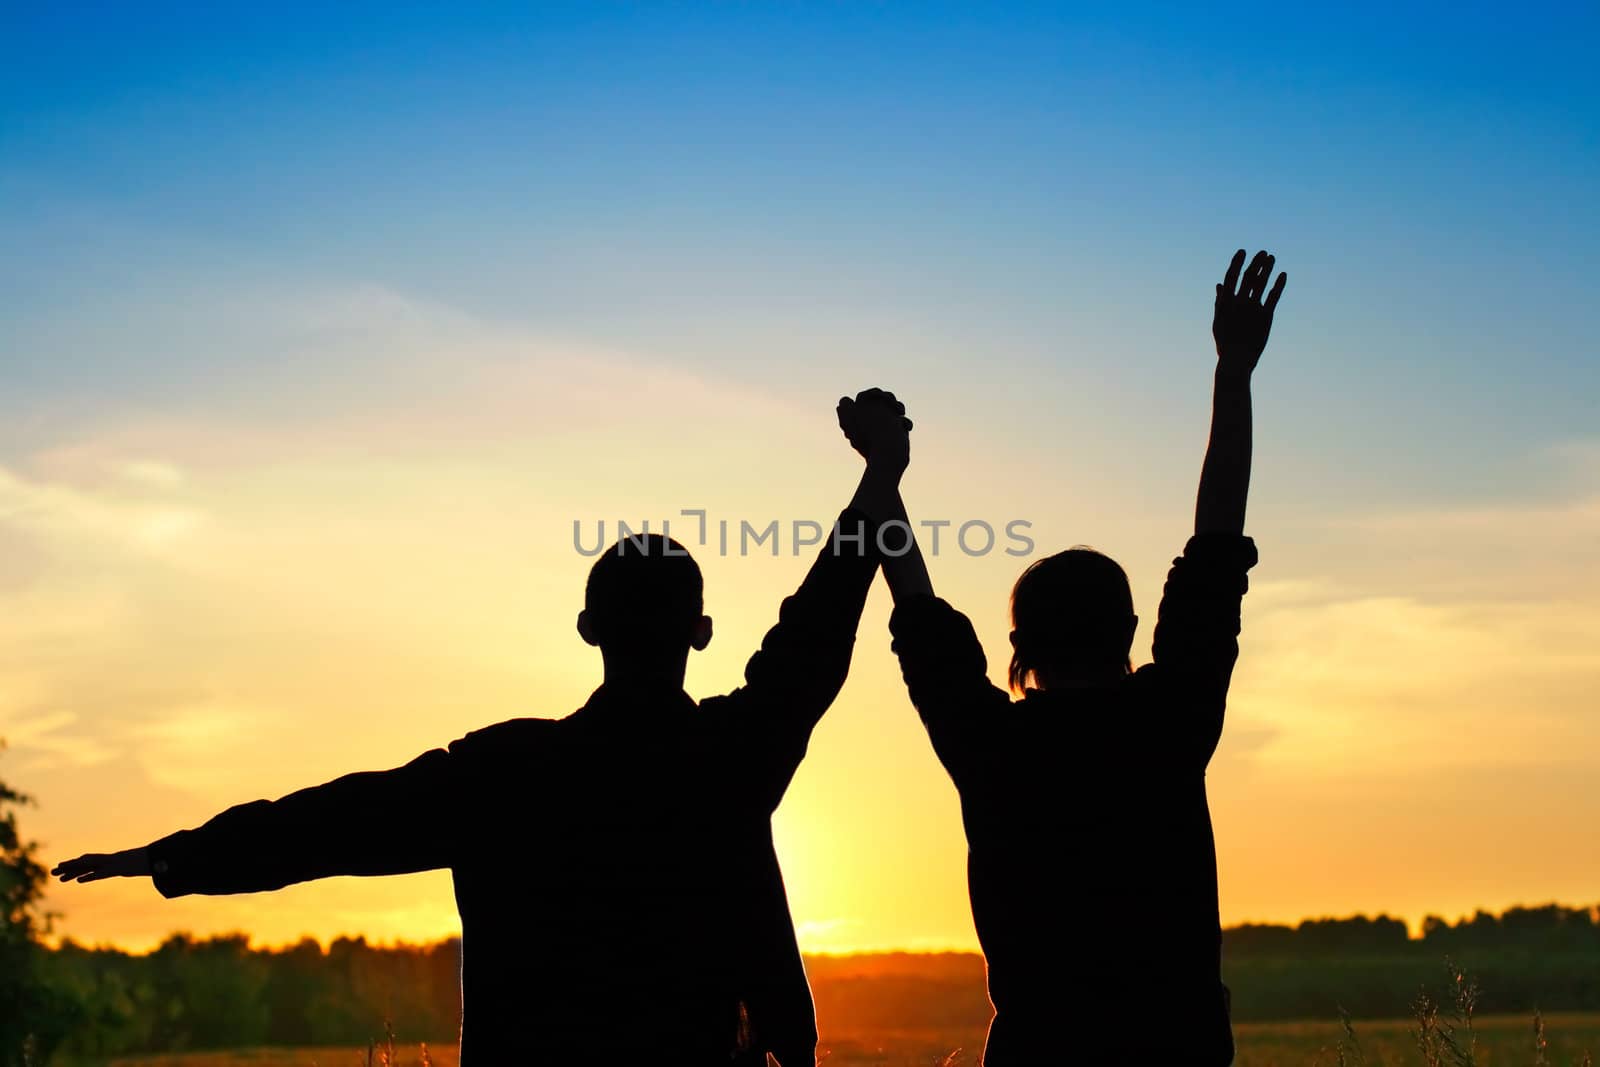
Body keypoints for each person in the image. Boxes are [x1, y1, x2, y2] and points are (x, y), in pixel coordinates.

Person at [53, 390, 918, 1066]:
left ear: (588, 629)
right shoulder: (731, 755)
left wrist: (174, 855)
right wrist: (880, 473)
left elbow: (329, 823)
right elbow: (818, 625)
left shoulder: (505, 769)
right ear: (700, 633)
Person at [844, 250, 1285, 1065]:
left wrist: (884, 472)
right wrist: (1233, 371)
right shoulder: (1171, 719)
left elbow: (914, 599)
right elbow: (1218, 538)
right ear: (1128, 630)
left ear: (1018, 648)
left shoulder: (992, 745)